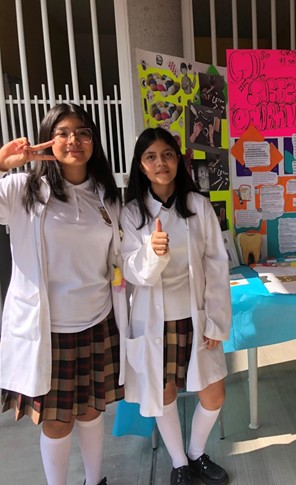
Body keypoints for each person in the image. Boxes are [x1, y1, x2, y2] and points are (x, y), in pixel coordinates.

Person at [0, 104, 128, 485]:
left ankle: (95, 480)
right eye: (63, 132)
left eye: (83, 132)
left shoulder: (106, 196)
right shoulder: (22, 190)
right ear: (48, 140)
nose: (74, 140)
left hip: (98, 321)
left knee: (91, 412)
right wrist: (1, 163)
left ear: (93, 141)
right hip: (49, 331)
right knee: (58, 423)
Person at [121, 127, 231, 485]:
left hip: (196, 317)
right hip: (156, 322)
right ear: (140, 165)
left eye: (167, 154)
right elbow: (131, 271)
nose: (160, 163)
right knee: (164, 394)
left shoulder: (198, 206)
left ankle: (197, 453)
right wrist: (152, 253)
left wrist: (216, 320)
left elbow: (217, 265)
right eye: (151, 157)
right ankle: (179, 462)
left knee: (214, 394)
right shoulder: (131, 214)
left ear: (178, 160)